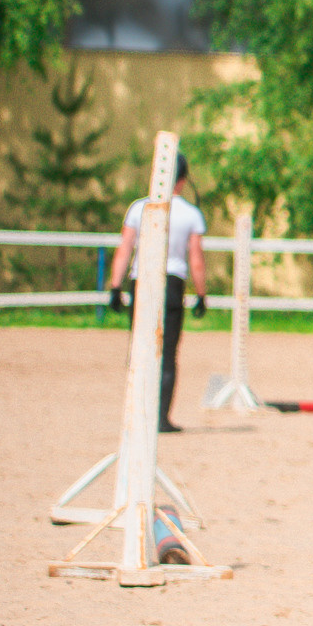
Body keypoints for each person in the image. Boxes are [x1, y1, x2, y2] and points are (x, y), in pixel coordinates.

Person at [106, 153, 207, 433]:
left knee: (139, 348)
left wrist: (115, 286)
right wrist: (201, 294)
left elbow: (125, 248)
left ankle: (137, 411)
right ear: (183, 181)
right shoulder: (190, 213)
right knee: (169, 352)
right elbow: (196, 259)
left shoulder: (139, 208)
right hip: (173, 283)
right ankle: (161, 418)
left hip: (142, 282)